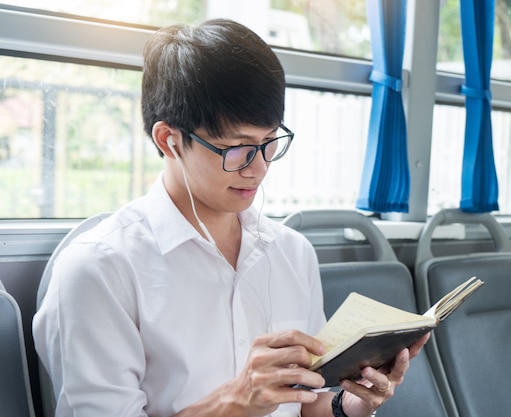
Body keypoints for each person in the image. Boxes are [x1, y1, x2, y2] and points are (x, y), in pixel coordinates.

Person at [33, 18, 429, 417]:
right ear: (169, 140)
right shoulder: (98, 270)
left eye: (269, 142)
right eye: (237, 148)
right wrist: (236, 402)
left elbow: (305, 403)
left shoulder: (292, 252)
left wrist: (353, 402)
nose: (258, 168)